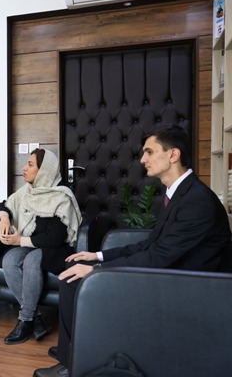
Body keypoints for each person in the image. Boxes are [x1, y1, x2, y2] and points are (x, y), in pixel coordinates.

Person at [33, 125, 232, 377]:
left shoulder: (197, 201)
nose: (142, 159)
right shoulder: (180, 193)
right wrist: (98, 256)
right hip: (171, 273)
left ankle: (70, 363)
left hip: (186, 287)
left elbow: (157, 257)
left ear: (173, 155)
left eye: (150, 152)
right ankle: (72, 351)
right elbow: (151, 245)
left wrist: (97, 271)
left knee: (74, 279)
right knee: (73, 271)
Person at [0, 148, 82, 345]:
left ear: (44, 170)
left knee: (32, 259)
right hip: (30, 245)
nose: (24, 168)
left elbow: (55, 238)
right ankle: (37, 318)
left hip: (57, 249)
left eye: (30, 165)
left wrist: (20, 241)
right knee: (9, 259)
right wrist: (4, 218)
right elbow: (4, 205)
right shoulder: (27, 192)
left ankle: (26, 321)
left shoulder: (61, 196)